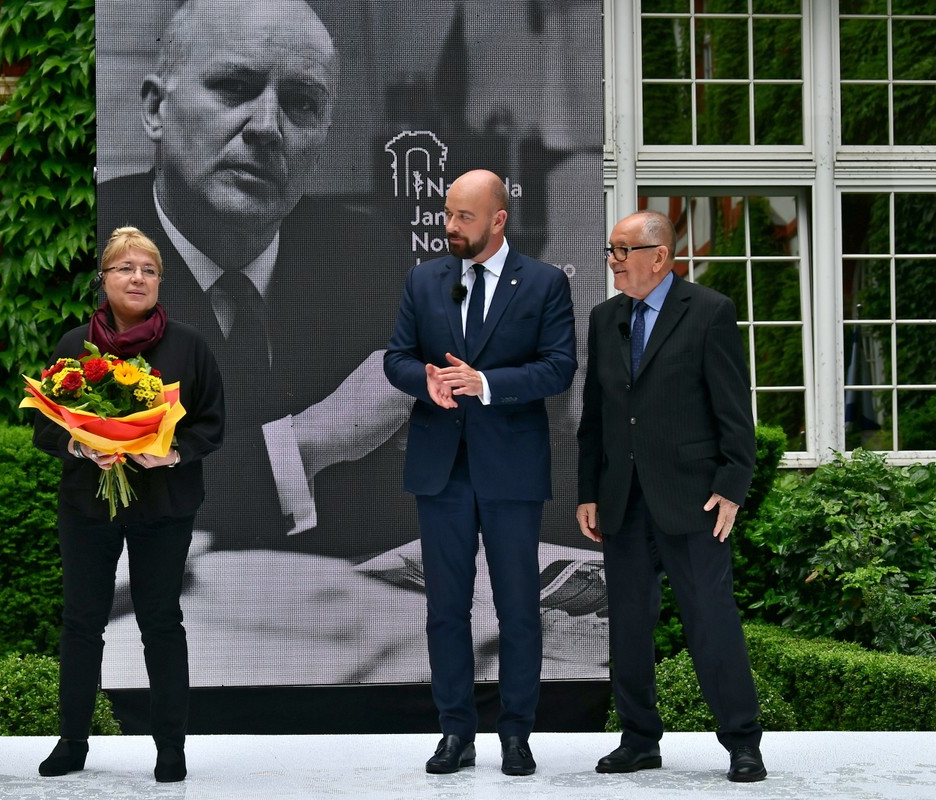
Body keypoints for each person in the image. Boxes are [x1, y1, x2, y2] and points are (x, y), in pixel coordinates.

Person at [97, 0, 413, 559]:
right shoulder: (96, 250)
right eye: (234, 87)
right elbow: (123, 484)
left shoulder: (364, 257)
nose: (268, 127)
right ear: (155, 109)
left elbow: (391, 491)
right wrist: (308, 442)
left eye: (300, 102)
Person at [383, 169, 577, 775]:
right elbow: (396, 358)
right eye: (447, 214)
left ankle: (516, 735)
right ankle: (455, 734)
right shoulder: (424, 279)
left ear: (498, 219)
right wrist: (428, 380)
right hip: (442, 470)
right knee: (445, 608)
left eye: (464, 217)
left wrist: (486, 383)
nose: (450, 227)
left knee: (519, 606)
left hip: (511, 470)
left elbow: (558, 368)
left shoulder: (544, 283)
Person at [575, 210, 766, 783]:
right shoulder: (605, 318)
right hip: (622, 501)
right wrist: (589, 492)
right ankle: (638, 739)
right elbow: (596, 417)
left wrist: (731, 487)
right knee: (629, 624)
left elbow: (736, 413)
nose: (611, 260)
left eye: (621, 250)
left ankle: (742, 742)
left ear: (659, 256)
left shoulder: (709, 312)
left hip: (693, 500)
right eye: (610, 250)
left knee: (711, 620)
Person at [33, 226, 224, 783]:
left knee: (160, 620)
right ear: (105, 280)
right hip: (87, 504)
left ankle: (170, 747)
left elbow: (212, 425)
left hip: (164, 504)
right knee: (81, 621)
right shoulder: (74, 346)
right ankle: (72, 742)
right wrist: (79, 444)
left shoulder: (189, 346)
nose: (137, 278)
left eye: (148, 270)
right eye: (125, 268)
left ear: (160, 281)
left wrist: (175, 455)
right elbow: (45, 426)